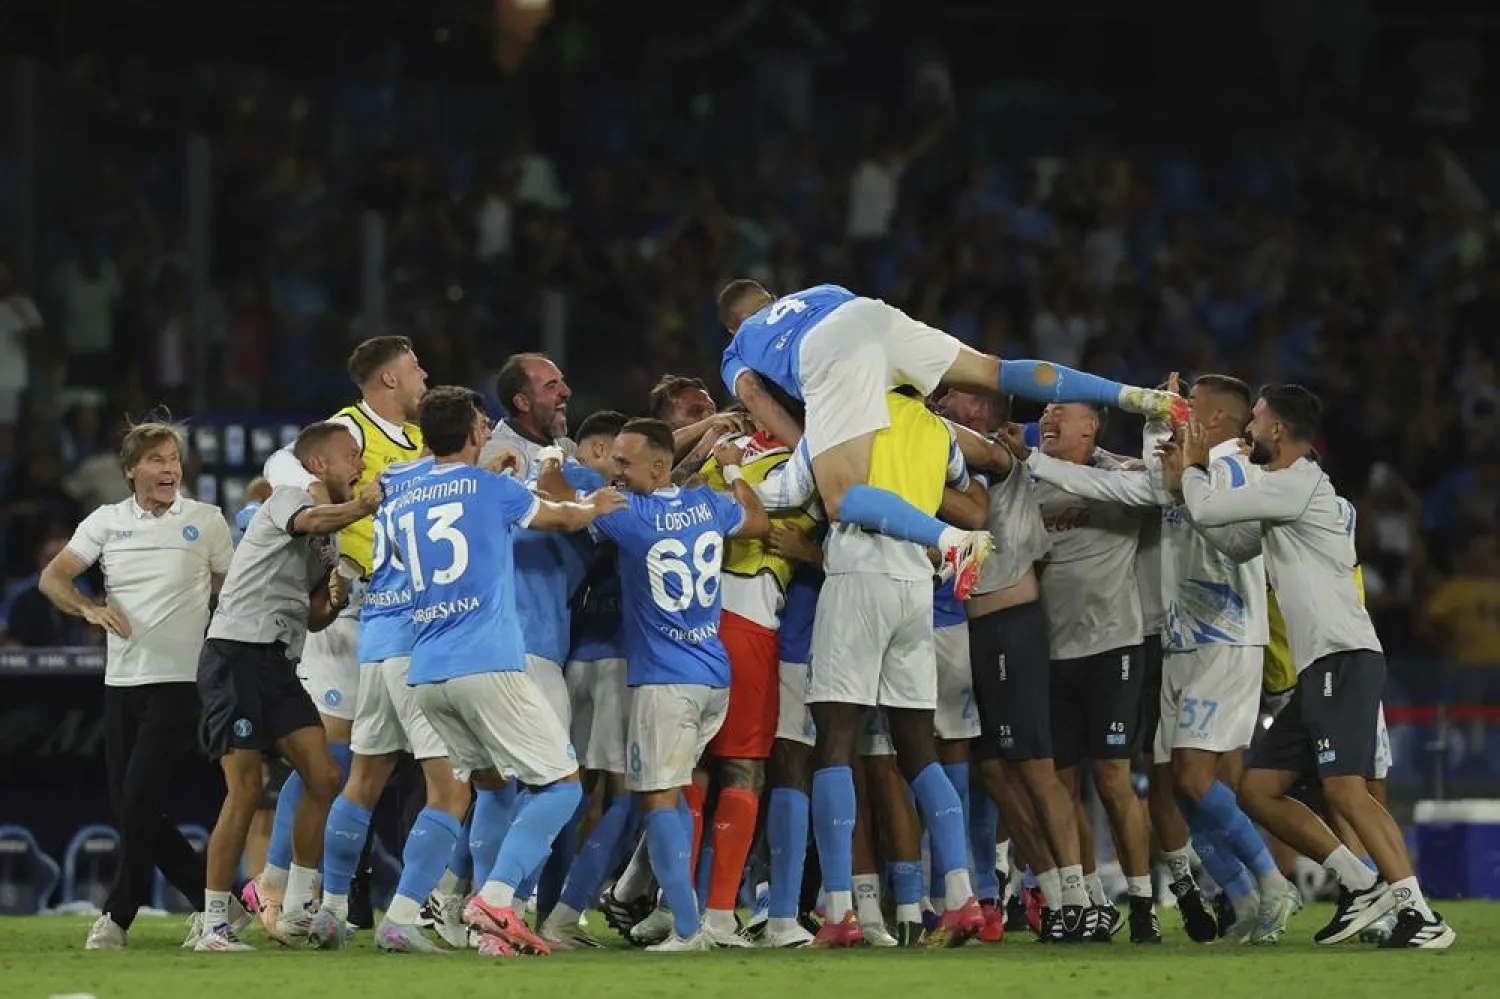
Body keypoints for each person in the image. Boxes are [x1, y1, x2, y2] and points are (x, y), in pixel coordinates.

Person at [1162, 384, 1455, 950]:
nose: (1247, 430)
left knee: (1347, 791)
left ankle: (1419, 913)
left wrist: (1197, 468)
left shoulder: (1297, 483)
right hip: (1317, 666)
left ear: (1277, 431)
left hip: (1343, 656)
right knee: (1259, 789)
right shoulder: (1285, 492)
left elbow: (1212, 508)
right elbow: (1234, 541)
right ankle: (1361, 883)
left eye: (1257, 420)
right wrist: (1186, 486)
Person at [716, 279, 1185, 598]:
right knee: (994, 371)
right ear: (772, 296)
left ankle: (954, 543)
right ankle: (1133, 395)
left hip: (826, 351)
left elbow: (755, 395)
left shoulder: (737, 345)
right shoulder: (821, 289)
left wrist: (810, 444)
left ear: (734, 324)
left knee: (841, 497)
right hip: (868, 314)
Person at [394, 386, 623, 959]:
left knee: (492, 788)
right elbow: (555, 516)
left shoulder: (403, 493)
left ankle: (468, 920)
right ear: (475, 432)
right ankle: (496, 900)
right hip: (486, 662)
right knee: (561, 787)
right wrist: (593, 508)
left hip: (426, 671)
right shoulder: (492, 489)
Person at [751, 390, 985, 948]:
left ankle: (839, 910)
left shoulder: (843, 414)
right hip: (915, 588)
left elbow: (787, 490)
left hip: (857, 576)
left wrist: (735, 475)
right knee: (918, 747)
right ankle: (961, 895)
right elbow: (966, 489)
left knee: (834, 740)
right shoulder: (938, 430)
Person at [38, 422, 237, 950]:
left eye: (173, 459)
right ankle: (215, 901)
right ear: (131, 471)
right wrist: (89, 609)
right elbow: (53, 577)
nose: (169, 468)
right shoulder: (105, 522)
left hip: (180, 680)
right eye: (156, 460)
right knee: (132, 806)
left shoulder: (206, 521)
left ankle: (117, 915)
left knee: (138, 798)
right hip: (121, 681)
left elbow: (237, 592)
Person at [254, 335, 427, 928]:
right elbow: (282, 467)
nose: (423, 376)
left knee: (370, 761)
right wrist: (318, 513)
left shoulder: (423, 438)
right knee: (327, 752)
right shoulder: (349, 427)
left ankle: (320, 899)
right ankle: (274, 888)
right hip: (346, 604)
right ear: (387, 380)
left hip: (402, 609)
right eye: (413, 368)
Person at [194, 421, 382, 952]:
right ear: (319, 464)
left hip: (278, 662)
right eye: (351, 457)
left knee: (324, 774)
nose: (360, 467)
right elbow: (312, 518)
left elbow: (316, 617)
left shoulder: (329, 538)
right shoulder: (288, 499)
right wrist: (364, 506)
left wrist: (332, 601)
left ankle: (297, 903)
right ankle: (211, 924)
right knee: (246, 789)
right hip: (235, 655)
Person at [591, 418, 770, 951]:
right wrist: (735, 468)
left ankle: (687, 928)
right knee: (677, 790)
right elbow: (758, 519)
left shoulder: (630, 515)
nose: (615, 471)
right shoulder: (711, 504)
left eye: (625, 463)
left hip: (665, 683)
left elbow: (560, 499)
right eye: (614, 462)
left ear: (659, 467)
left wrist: (556, 466)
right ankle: (680, 913)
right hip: (713, 674)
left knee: (659, 800)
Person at [1007, 402, 1158, 943]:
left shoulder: (1122, 473)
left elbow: (1155, 494)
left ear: (1091, 426)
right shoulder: (1028, 479)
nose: (1047, 417)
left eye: (1061, 412)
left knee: (1114, 780)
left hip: (1113, 647)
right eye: (1044, 411)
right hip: (1049, 654)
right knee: (1060, 788)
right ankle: (1090, 901)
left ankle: (1143, 901)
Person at [481, 352, 577, 479]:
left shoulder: (566, 446)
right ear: (522, 403)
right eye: (551, 386)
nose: (566, 392)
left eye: (562, 382)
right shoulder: (499, 454)